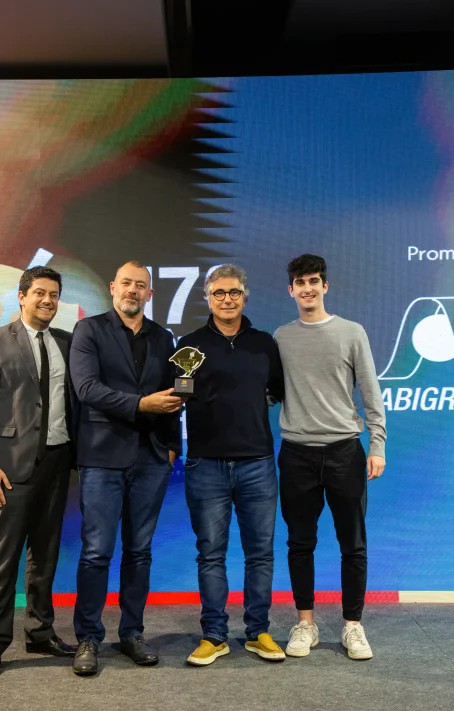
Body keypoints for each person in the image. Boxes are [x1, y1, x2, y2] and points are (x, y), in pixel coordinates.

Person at [69, 260, 182, 675]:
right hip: (102, 458)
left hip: (151, 459)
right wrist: (140, 404)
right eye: (126, 283)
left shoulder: (164, 337)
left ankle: (132, 633)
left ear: (150, 293)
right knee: (96, 552)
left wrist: (173, 445)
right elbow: (87, 389)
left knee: (139, 552)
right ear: (113, 287)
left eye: (141, 285)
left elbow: (173, 395)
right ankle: (88, 637)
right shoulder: (89, 330)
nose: (133, 290)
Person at [0, 265, 76, 683]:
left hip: (57, 462)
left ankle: (40, 633)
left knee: (45, 557)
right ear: (22, 296)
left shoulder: (66, 342)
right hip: (9, 469)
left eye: (54, 295)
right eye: (40, 293)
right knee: (3, 559)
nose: (48, 301)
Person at [274, 253, 386, 660]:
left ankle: (353, 625)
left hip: (344, 452)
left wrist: (377, 444)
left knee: (352, 543)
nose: (307, 288)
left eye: (314, 281)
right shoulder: (281, 338)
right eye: (300, 282)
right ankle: (305, 624)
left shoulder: (351, 332)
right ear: (291, 290)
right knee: (299, 543)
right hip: (295, 453)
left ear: (325, 286)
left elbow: (370, 391)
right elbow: (271, 391)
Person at [178, 264, 285, 666]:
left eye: (234, 292)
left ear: (245, 296)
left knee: (260, 554)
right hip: (205, 464)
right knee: (210, 554)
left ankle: (258, 632)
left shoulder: (264, 344)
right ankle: (214, 635)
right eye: (219, 292)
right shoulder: (189, 345)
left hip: (257, 463)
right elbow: (177, 398)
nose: (227, 299)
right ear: (207, 297)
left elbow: (277, 391)